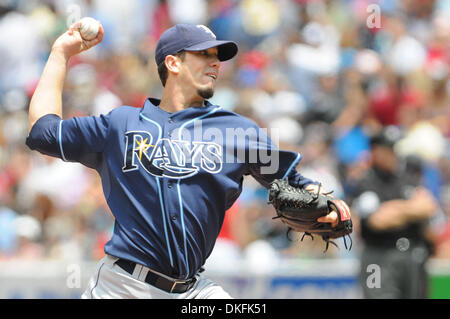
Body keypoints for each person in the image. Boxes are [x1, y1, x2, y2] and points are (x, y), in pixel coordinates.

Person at [26, 21, 343, 299]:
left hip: (192, 289)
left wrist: (333, 206)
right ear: (173, 63)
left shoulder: (239, 131)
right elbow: (43, 132)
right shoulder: (120, 125)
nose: (215, 63)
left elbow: (294, 183)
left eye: (217, 57)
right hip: (122, 286)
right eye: (204, 54)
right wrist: (60, 54)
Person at [351, 127, 438, 299]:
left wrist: (395, 209)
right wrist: (411, 208)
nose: (394, 153)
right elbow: (378, 221)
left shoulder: (408, 176)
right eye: (389, 149)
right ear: (376, 151)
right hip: (379, 257)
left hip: (412, 254)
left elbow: (428, 206)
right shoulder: (366, 182)